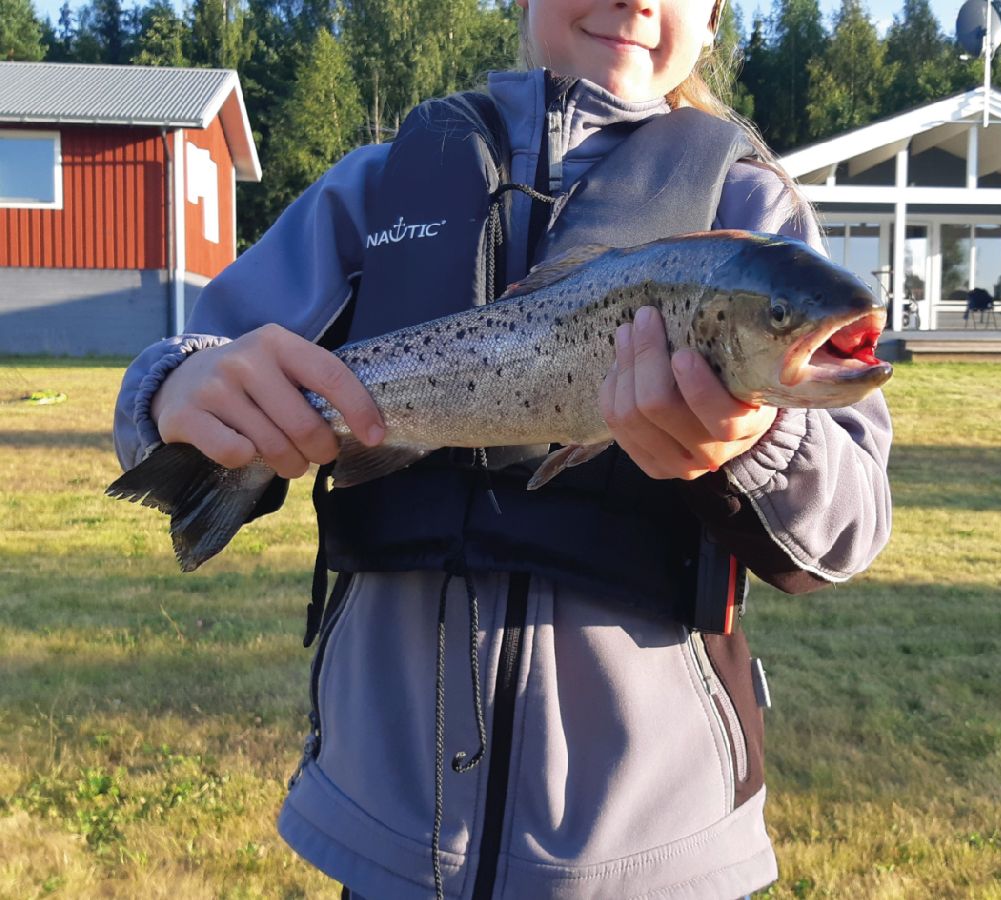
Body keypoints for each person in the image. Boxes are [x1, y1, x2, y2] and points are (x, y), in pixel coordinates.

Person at [112, 0, 893, 896]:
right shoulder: (380, 184)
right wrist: (175, 389)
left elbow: (851, 528)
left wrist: (760, 440)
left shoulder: (753, 206)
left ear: (715, 22)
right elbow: (210, 350)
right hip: (386, 822)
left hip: (649, 849)